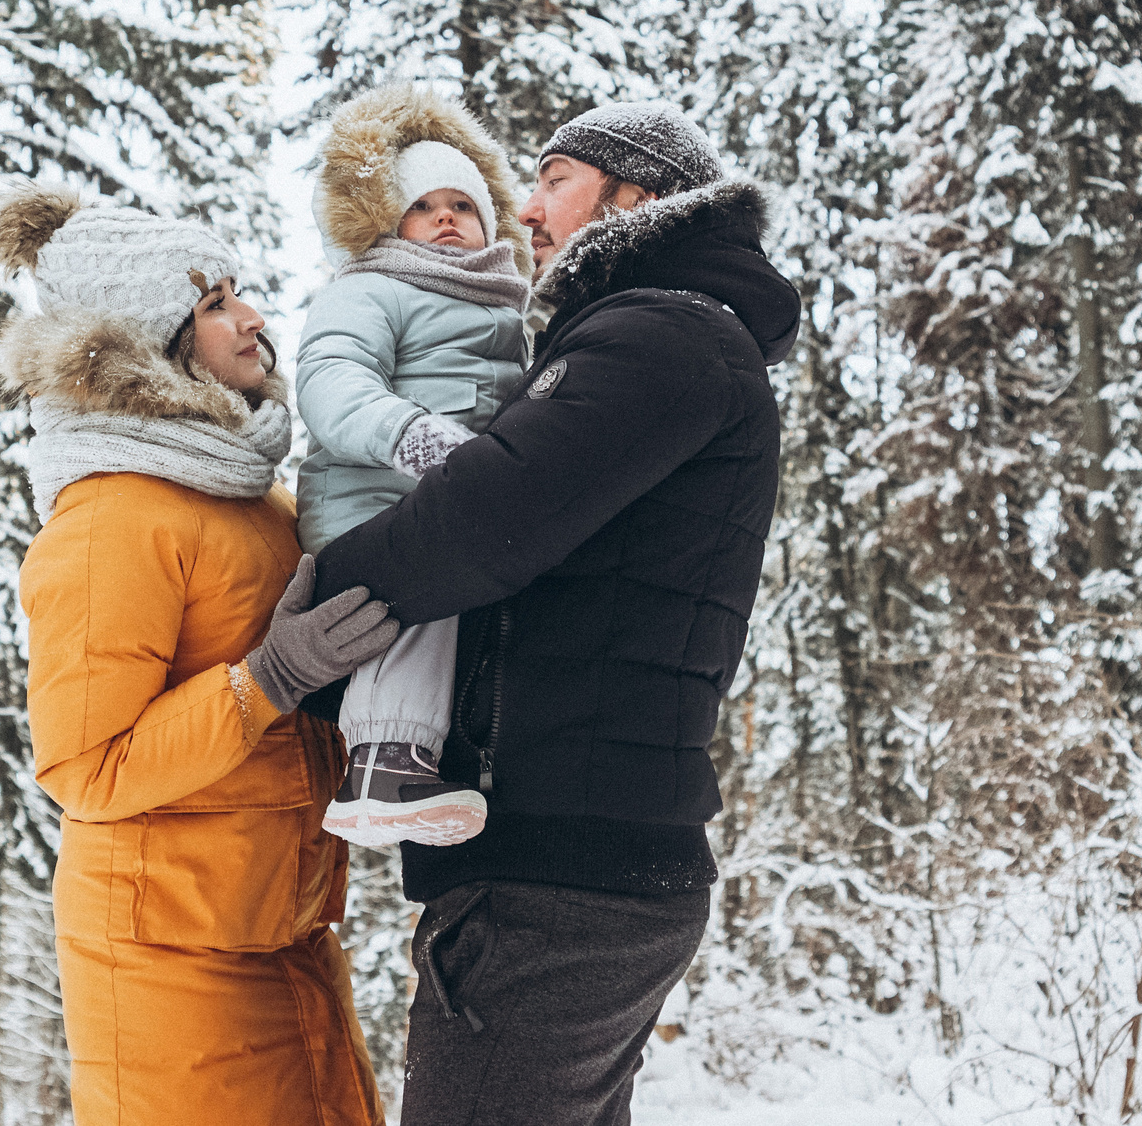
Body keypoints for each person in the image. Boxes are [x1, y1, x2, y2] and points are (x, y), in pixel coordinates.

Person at [312, 103, 802, 1126]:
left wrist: (306, 611)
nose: (526, 210)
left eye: (556, 180)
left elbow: (480, 522)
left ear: (640, 197)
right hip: (576, 861)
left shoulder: (660, 338)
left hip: (558, 874)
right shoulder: (660, 339)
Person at [0, 183, 399, 1126]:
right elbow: (87, 765)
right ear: (151, 343)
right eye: (215, 302)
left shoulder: (251, 494)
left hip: (283, 930)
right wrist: (267, 680)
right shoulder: (111, 515)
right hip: (166, 966)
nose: (252, 318)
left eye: (238, 292)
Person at [292, 84, 534, 846]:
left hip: (451, 498)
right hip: (369, 494)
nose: (445, 218)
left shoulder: (506, 309)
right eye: (423, 206)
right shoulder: (374, 286)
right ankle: (382, 763)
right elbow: (331, 378)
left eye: (462, 205)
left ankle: (423, 759)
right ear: (391, 221)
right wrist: (410, 435)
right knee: (434, 571)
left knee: (462, 582)